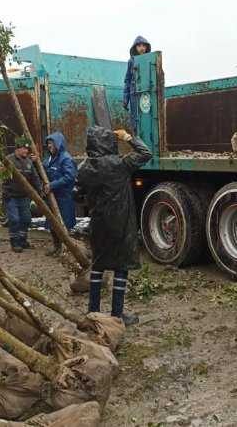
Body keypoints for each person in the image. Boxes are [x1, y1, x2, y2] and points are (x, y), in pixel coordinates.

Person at [77, 126, 152, 325]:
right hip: (121, 223)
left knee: (98, 266)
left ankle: (93, 312)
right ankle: (117, 315)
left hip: (98, 224)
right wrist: (127, 137)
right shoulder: (119, 164)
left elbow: (77, 193)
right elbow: (146, 153)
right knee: (121, 267)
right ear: (109, 143)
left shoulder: (85, 167)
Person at [2, 136, 41, 253]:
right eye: (24, 149)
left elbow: (34, 178)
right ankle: (15, 242)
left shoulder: (28, 162)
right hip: (11, 196)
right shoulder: (8, 160)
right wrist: (4, 192)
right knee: (14, 220)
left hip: (24, 197)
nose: (26, 151)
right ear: (17, 149)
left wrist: (39, 190)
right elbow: (0, 179)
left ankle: (23, 240)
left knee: (26, 219)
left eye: (27, 149)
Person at [42, 131, 77, 256]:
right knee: (53, 224)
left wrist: (52, 185)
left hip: (63, 198)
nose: (49, 146)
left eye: (52, 143)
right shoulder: (50, 159)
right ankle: (56, 246)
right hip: (52, 198)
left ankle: (64, 248)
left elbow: (69, 177)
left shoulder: (66, 159)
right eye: (48, 144)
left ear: (59, 144)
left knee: (63, 225)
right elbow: (43, 170)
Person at [123, 36, 151, 134]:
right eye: (139, 45)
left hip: (147, 94)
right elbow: (127, 80)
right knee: (135, 120)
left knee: (148, 118)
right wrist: (125, 99)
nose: (142, 48)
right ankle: (138, 145)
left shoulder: (151, 60)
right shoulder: (131, 61)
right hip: (134, 94)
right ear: (135, 47)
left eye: (144, 45)